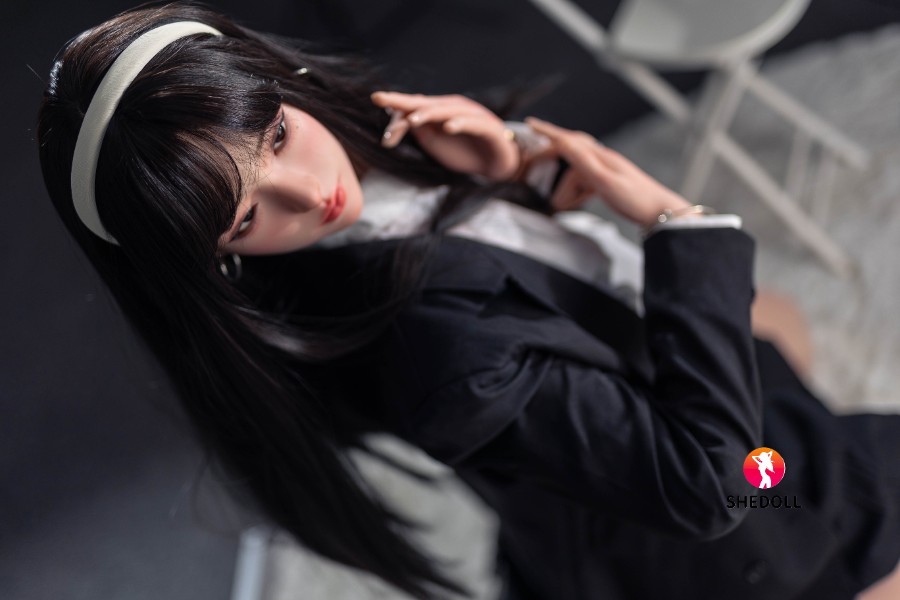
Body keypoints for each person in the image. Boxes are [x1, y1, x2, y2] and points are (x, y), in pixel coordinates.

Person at [37, 3, 900, 599]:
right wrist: (679, 221)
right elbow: (708, 486)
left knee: (773, 328)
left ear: (278, 78)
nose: (311, 192)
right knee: (789, 452)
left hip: (608, 449)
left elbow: (521, 267)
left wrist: (509, 170)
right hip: (713, 539)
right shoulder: (444, 357)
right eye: (247, 217)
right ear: (212, 260)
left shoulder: (385, 163)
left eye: (279, 135)